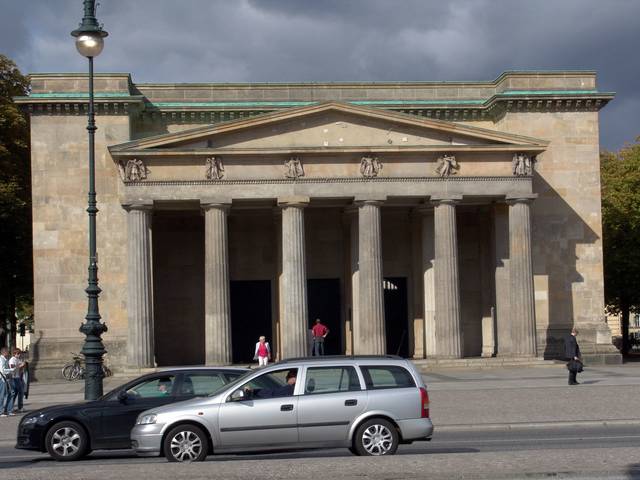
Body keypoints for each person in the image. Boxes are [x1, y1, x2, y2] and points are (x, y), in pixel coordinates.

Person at [9, 348, 25, 413]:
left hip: (18, 377)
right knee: (20, 392)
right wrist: (20, 366)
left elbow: (21, 368)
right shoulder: (12, 360)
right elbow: (12, 368)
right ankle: (19, 407)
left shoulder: (18, 359)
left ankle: (11, 407)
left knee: (16, 392)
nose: (19, 355)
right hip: (14, 377)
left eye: (19, 354)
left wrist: (23, 365)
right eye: (17, 354)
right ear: (14, 354)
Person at [0, 347, 15, 417]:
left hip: (5, 379)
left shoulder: (4, 359)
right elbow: (2, 370)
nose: (8, 353)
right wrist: (11, 370)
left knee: (9, 393)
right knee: (2, 395)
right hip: (2, 379)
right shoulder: (1, 359)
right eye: (8, 352)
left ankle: (8, 410)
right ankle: (1, 411)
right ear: (4, 352)